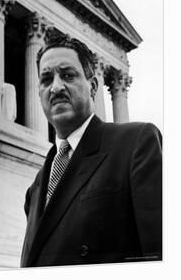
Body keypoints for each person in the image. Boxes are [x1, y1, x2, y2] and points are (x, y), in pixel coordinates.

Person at [20, 32, 162, 267]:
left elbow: (159, 256)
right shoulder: (34, 189)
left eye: (67, 75)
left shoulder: (136, 144)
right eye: (46, 79)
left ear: (93, 86)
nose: (55, 88)